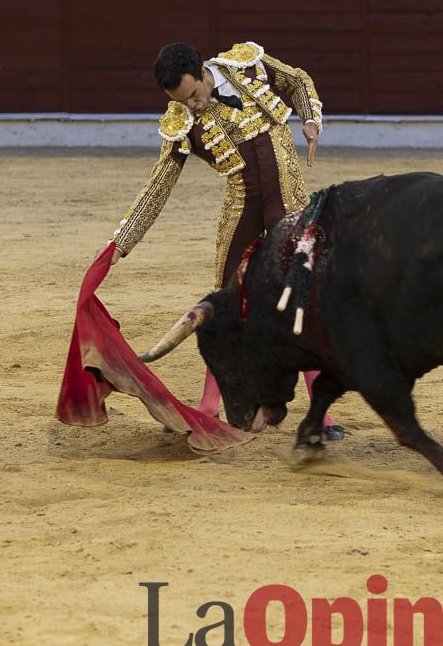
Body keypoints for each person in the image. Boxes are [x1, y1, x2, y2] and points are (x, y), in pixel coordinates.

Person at [107, 41, 343, 439]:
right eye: (181, 102)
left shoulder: (246, 64)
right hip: (242, 206)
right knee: (226, 303)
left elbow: (298, 80)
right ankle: (207, 407)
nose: (193, 107)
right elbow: (159, 183)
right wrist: (122, 242)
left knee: (304, 300)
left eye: (194, 96)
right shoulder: (180, 119)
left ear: (202, 71)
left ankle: (321, 415)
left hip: (288, 198)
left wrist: (311, 120)